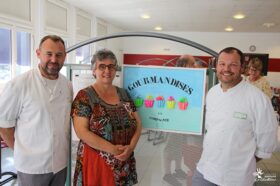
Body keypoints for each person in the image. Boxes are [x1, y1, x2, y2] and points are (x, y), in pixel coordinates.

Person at [192, 47, 278, 186]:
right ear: (216, 66)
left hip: (236, 178)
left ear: (242, 67)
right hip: (204, 171)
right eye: (222, 64)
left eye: (233, 64)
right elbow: (211, 129)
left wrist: (241, 160)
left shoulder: (258, 99)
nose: (226, 69)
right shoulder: (212, 93)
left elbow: (267, 142)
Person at [0, 35, 73, 186]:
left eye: (59, 55)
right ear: (38, 53)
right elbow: (4, 125)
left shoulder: (67, 85)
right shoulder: (18, 85)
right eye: (49, 54)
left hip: (60, 164)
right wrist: (21, 150)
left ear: (65, 57)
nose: (54, 59)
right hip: (31, 167)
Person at [71, 49, 142, 186]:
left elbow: (138, 123)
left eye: (111, 66)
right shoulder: (84, 96)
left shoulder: (124, 94)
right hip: (96, 163)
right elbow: (82, 132)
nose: (107, 70)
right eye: (102, 66)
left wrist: (131, 147)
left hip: (124, 161)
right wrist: (113, 150)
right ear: (94, 71)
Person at [162, 55, 196, 186]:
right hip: (172, 117)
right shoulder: (173, 77)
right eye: (192, 64)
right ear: (184, 65)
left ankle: (177, 169)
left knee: (180, 144)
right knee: (169, 146)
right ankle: (167, 173)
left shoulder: (190, 78)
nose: (194, 67)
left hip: (184, 118)